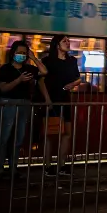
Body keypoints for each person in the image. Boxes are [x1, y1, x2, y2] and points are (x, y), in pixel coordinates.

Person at [0, 40, 48, 176]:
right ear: (12, 53)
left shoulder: (29, 69)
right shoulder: (5, 69)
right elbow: (3, 88)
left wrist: (33, 57)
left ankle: (14, 168)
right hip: (8, 103)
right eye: (19, 52)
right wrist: (18, 80)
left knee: (19, 137)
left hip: (24, 104)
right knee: (4, 137)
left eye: (24, 53)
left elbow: (44, 71)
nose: (22, 55)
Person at [42, 35, 86, 175]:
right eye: (64, 41)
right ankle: (48, 166)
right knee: (49, 133)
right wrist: (47, 98)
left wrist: (72, 84)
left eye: (68, 41)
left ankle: (61, 165)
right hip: (51, 100)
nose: (68, 43)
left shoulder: (71, 60)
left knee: (67, 133)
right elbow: (40, 81)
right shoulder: (47, 61)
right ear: (56, 44)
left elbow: (78, 78)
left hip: (65, 98)